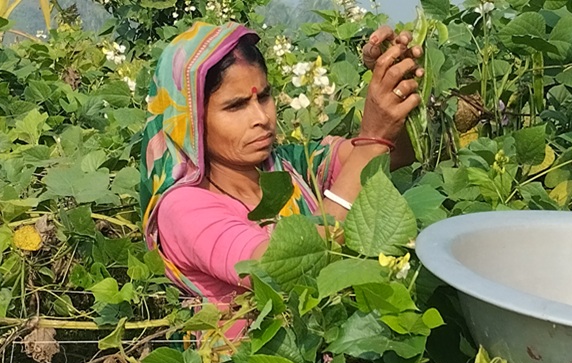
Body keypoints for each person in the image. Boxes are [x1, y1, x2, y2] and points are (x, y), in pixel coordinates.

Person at [135, 22, 424, 339]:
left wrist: (393, 82)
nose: (261, 118)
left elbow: (395, 155)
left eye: (264, 97)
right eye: (236, 105)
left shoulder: (289, 164)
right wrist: (372, 139)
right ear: (189, 122)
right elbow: (281, 271)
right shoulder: (183, 207)